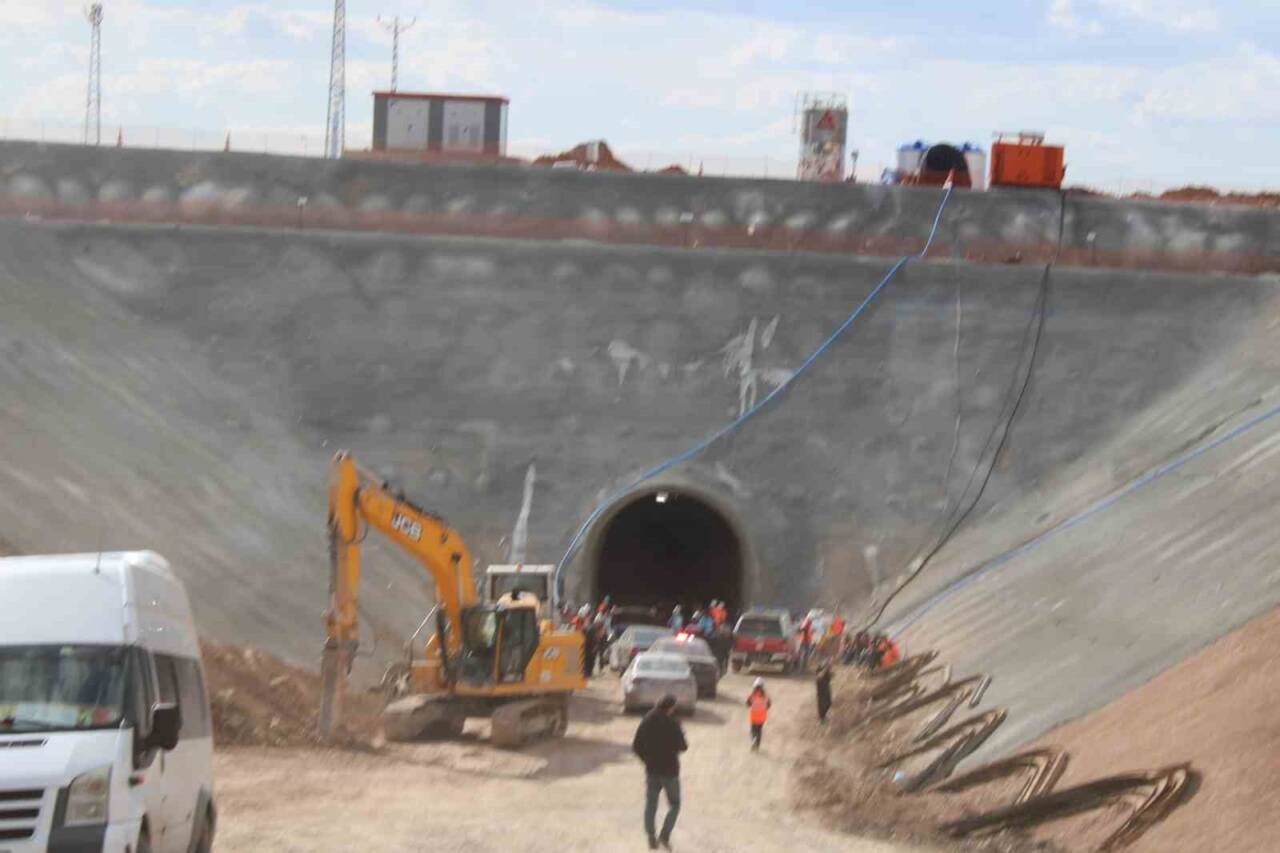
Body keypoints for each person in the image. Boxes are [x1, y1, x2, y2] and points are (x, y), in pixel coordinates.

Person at [632, 694, 687, 850]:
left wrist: (646, 760)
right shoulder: (673, 723)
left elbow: (636, 746)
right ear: (670, 708)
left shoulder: (646, 720)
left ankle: (651, 836)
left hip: (652, 770)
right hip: (670, 772)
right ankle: (664, 835)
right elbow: (684, 747)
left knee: (651, 804)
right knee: (675, 804)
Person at [745, 677, 771, 751]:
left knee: (753, 730)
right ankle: (757, 746)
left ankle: (753, 740)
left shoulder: (752, 695)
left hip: (754, 716)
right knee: (759, 731)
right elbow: (768, 705)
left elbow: (747, 704)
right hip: (762, 717)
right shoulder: (766, 696)